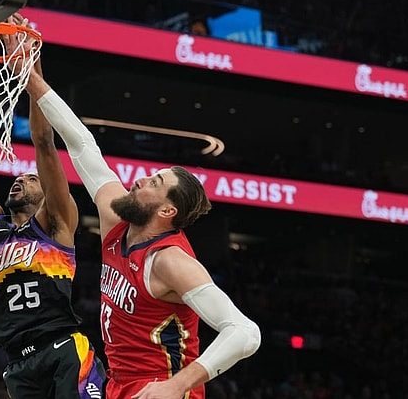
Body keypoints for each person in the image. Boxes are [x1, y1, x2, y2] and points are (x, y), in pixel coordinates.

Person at [26, 53, 261, 398]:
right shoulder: (116, 220)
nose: (140, 181)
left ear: (167, 211)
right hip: (120, 386)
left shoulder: (170, 261)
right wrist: (34, 82)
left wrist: (176, 385)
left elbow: (245, 332)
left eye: (155, 182)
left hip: (165, 391)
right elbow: (82, 145)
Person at [0, 16, 106, 398]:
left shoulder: (56, 222)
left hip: (65, 349)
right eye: (18, 178)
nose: (20, 179)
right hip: (17, 364)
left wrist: (30, 72)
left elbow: (42, 142)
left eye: (31, 179)